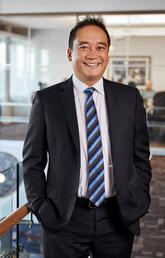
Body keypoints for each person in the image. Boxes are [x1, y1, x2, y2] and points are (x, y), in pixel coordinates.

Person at [23, 17, 152, 258]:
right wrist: (41, 207)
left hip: (117, 216)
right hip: (64, 217)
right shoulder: (47, 101)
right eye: (84, 47)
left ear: (107, 53)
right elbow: (32, 162)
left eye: (100, 47)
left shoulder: (129, 98)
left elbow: (140, 156)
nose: (93, 54)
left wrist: (140, 197)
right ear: (70, 54)